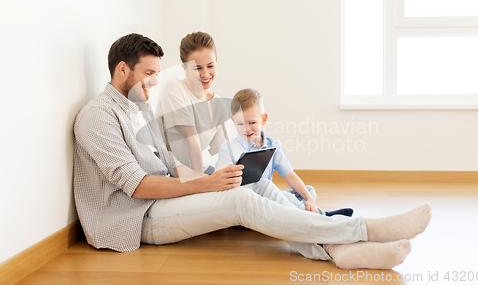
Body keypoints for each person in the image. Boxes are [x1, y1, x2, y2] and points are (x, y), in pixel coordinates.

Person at [73, 33, 432, 270]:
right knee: (240, 202)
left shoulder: (138, 108)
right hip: (137, 219)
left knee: (253, 184)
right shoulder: (97, 117)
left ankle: (337, 249)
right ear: (123, 70)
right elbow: (136, 186)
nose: (154, 81)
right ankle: (364, 230)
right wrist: (205, 186)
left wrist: (209, 179)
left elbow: (168, 164)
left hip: (164, 200)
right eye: (148, 74)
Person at [216, 88, 353, 217]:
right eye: (240, 124)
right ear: (233, 121)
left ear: (263, 119)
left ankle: (308, 211)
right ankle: (323, 216)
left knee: (308, 190)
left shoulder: (272, 145)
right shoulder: (228, 149)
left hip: (269, 197)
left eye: (252, 122)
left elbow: (289, 175)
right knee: (267, 185)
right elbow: (219, 183)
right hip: (248, 201)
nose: (246, 129)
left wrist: (309, 199)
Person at [157, 32, 229, 174]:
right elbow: (192, 138)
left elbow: (222, 151)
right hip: (171, 171)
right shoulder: (174, 87)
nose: (205, 74)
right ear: (184, 68)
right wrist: (200, 183)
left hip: (199, 169)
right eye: (197, 68)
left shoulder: (218, 104)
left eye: (210, 66)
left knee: (256, 186)